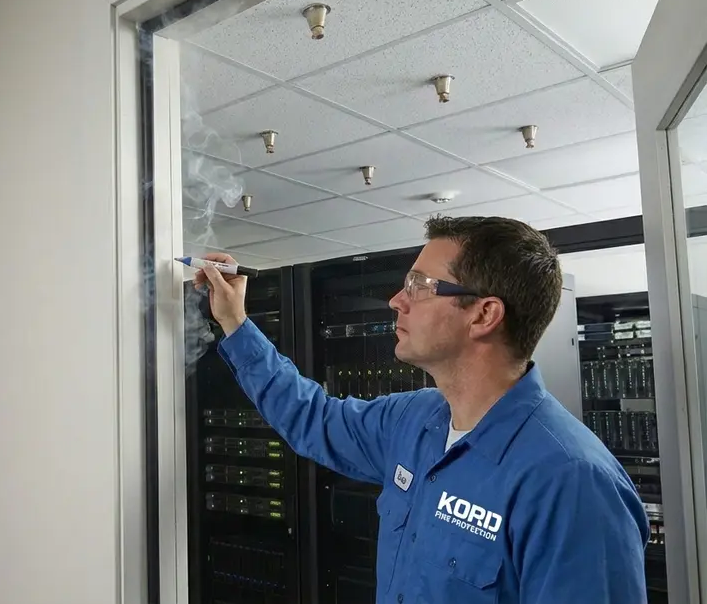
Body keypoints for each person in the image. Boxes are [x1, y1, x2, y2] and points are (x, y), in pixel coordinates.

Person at [195, 215, 648, 604]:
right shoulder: (412, 421)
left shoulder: (571, 482)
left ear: (483, 315)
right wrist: (235, 320)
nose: (397, 300)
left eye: (419, 286)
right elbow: (312, 417)